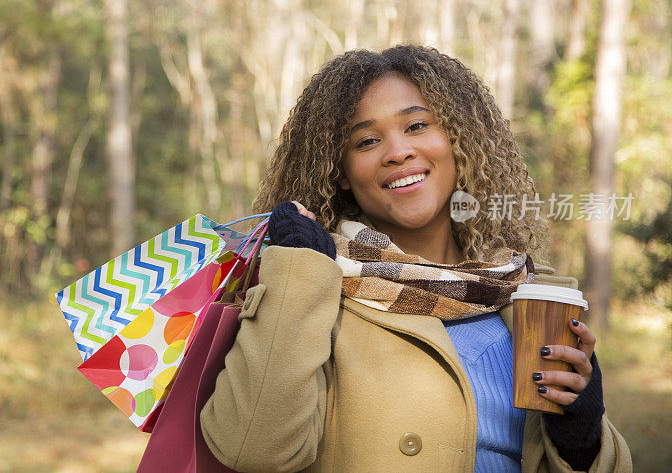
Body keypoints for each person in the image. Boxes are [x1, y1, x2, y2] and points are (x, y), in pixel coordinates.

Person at [199, 45, 631, 472]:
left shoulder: (526, 291)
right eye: (367, 141)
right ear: (340, 172)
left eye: (417, 125)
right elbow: (253, 449)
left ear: (460, 140)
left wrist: (581, 434)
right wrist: (298, 275)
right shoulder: (309, 286)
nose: (397, 152)